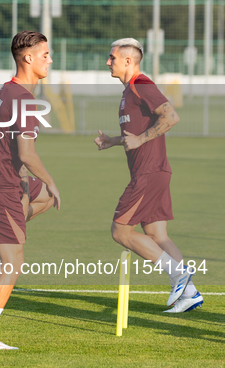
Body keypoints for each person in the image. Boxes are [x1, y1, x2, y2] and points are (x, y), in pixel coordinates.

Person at [95, 38, 202, 313]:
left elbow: (171, 116)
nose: (108, 62)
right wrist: (113, 141)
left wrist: (142, 139)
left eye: (112, 57)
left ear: (128, 61)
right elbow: (135, 133)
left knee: (120, 231)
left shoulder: (142, 84)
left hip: (149, 172)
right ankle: (189, 294)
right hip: (155, 171)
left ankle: (179, 275)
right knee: (157, 235)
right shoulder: (128, 92)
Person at [0, 31, 61, 349]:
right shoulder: (20, 97)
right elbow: (27, 153)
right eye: (45, 54)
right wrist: (50, 179)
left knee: (46, 198)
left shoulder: (11, 90)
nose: (50, 59)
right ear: (28, 58)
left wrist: (34, 183)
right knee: (13, 263)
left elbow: (9, 146)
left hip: (5, 176)